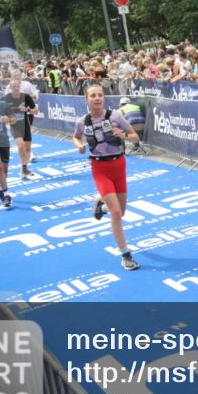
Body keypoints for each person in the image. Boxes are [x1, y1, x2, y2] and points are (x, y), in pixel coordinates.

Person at [72, 83, 141, 271]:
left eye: (100, 95)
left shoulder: (115, 116)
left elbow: (135, 137)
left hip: (119, 166)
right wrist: (79, 145)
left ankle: (101, 207)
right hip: (99, 168)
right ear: (86, 99)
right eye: (93, 95)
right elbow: (76, 136)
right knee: (116, 213)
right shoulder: (82, 121)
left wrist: (123, 135)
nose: (97, 98)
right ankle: (126, 256)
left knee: (121, 212)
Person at [3, 77, 38, 178]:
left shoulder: (26, 97)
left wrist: (27, 109)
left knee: (28, 149)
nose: (16, 88)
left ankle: (24, 168)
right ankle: (24, 168)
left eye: (17, 86)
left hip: (25, 125)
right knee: (21, 145)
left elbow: (35, 111)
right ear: (10, 88)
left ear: (20, 87)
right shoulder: (6, 98)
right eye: (13, 87)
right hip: (15, 126)